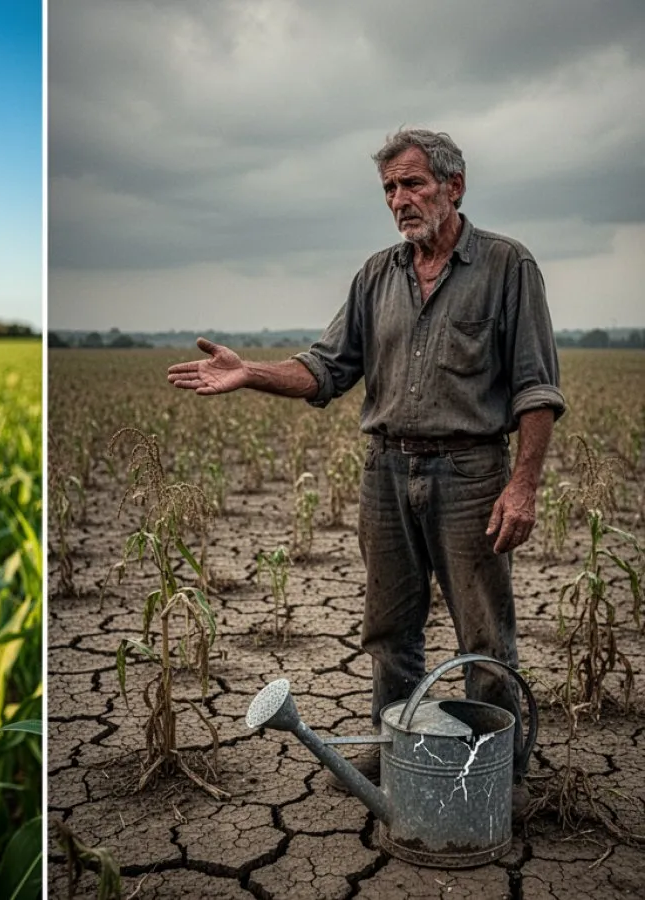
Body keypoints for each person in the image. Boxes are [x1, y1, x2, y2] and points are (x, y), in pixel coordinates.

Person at [168, 128, 564, 783]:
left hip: (470, 474)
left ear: (454, 186)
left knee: (484, 635)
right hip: (386, 471)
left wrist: (521, 487)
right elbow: (327, 368)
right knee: (390, 629)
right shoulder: (377, 275)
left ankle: (501, 774)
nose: (400, 199)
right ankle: (398, 750)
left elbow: (536, 389)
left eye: (413, 184)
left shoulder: (507, 266)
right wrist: (251, 372)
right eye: (389, 189)